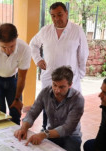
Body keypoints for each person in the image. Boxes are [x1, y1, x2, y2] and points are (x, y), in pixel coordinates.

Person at [30, 2, 89, 130]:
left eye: (60, 15)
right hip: (49, 78)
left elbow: (83, 54)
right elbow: (33, 44)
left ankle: (67, 136)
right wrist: (38, 60)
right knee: (48, 107)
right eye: (53, 16)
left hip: (69, 79)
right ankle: (46, 130)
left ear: (66, 13)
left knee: (68, 110)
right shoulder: (45, 30)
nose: (57, 19)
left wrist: (80, 74)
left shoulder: (77, 30)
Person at [14, 66, 84, 151]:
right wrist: (24, 127)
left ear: (70, 84)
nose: (57, 90)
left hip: (71, 136)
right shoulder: (45, 92)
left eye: (62, 87)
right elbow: (32, 112)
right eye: (54, 85)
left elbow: (68, 128)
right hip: (50, 132)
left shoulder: (78, 99)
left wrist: (43, 134)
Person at [0, 23, 31, 125]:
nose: (8, 50)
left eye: (12, 46)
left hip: (13, 80)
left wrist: (17, 98)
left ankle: (15, 140)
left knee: (15, 114)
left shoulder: (25, 49)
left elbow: (22, 77)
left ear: (16, 38)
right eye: (4, 47)